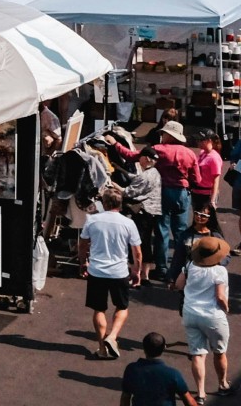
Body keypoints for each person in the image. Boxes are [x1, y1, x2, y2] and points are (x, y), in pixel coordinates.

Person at [82, 188, 143, 360]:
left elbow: (83, 245)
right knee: (122, 307)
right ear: (120, 204)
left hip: (97, 271)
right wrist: (136, 270)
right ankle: (113, 335)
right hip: (119, 272)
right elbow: (137, 252)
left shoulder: (92, 221)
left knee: (99, 309)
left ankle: (102, 347)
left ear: (105, 203)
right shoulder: (128, 223)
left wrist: (82, 263)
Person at [175, 236, 232, 401]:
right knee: (219, 352)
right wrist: (226, 308)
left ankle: (200, 393)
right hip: (213, 316)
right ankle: (222, 384)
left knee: (197, 354)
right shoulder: (220, 271)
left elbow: (179, 285)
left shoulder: (190, 265)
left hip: (191, 313)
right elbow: (220, 296)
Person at [151, 121, 201, 281]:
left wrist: (116, 144)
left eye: (163, 133)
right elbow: (197, 179)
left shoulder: (157, 150)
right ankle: (180, 269)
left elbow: (133, 157)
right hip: (182, 193)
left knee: (161, 231)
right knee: (181, 232)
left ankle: (162, 269)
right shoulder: (190, 153)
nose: (161, 136)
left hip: (163, 192)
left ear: (169, 135)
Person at [122, 332, 197, 406]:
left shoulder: (131, 369)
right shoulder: (173, 374)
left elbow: (125, 397)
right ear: (163, 348)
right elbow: (188, 400)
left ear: (144, 348)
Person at [127, 150, 165, 274]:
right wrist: (123, 171)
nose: (139, 159)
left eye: (141, 157)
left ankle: (136, 273)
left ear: (147, 158)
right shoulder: (155, 172)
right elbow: (138, 179)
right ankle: (145, 275)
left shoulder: (145, 176)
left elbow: (128, 192)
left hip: (143, 212)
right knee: (147, 241)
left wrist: (114, 185)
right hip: (152, 212)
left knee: (138, 241)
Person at [192, 131, 225, 239]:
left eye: (201, 140)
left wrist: (212, 200)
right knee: (198, 220)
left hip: (206, 194)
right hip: (197, 192)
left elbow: (216, 180)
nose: (199, 142)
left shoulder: (214, 158)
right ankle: (197, 242)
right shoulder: (202, 153)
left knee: (211, 221)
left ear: (209, 141)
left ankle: (221, 244)